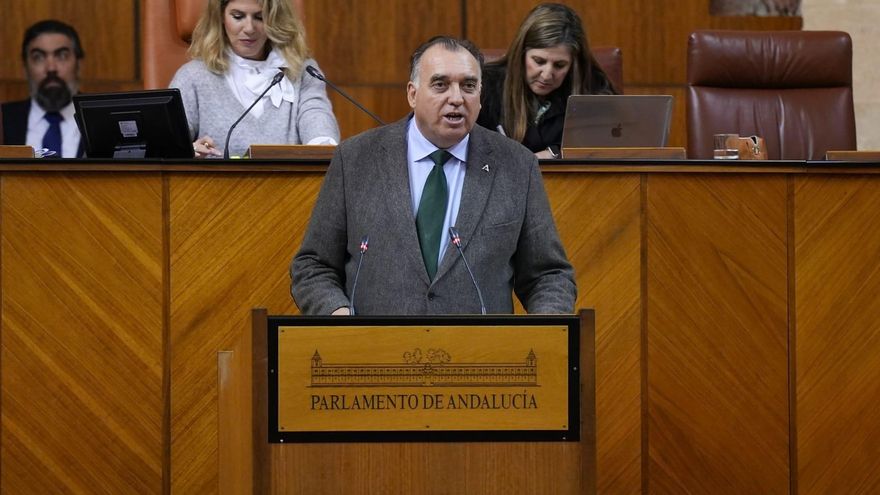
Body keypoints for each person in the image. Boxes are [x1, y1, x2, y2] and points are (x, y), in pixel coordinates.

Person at [290, 36, 576, 316]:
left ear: (480, 96)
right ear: (412, 94)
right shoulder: (355, 159)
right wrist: (338, 317)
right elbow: (314, 265)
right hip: (376, 353)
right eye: (440, 85)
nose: (456, 98)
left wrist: (546, 330)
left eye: (468, 86)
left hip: (480, 357)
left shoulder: (515, 165)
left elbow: (548, 275)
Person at [170, 0, 339, 158]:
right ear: (220, 16)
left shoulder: (303, 70)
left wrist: (324, 149)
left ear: (274, 20)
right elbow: (167, 144)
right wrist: (190, 150)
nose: (249, 28)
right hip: (214, 188)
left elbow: (318, 120)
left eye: (260, 17)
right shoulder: (193, 76)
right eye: (238, 17)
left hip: (290, 187)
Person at [476, 3, 617, 159]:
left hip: (572, 181)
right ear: (521, 53)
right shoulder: (488, 83)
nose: (547, 75)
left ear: (573, 63)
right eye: (539, 61)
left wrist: (554, 153)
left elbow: (610, 141)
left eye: (560, 65)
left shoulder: (593, 87)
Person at [1, 20, 85, 158]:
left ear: (79, 65)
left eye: (62, 56)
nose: (51, 68)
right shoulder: (3, 120)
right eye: (38, 57)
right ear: (25, 67)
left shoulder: (102, 122)